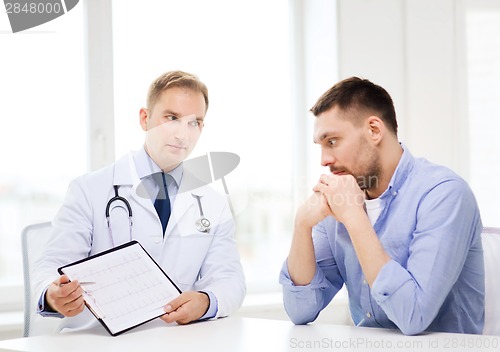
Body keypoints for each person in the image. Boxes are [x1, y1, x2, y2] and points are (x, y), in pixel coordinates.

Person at [34, 70, 246, 331]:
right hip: (98, 343)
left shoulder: (213, 203)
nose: (183, 134)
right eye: (172, 118)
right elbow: (51, 267)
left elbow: (229, 279)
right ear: (145, 119)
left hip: (177, 342)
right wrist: (51, 295)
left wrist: (205, 301)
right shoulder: (89, 190)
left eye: (195, 123)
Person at [279, 77, 484, 336]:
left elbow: (413, 316)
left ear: (374, 130)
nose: (324, 160)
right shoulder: (341, 197)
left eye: (332, 142)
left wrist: (354, 217)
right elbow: (300, 311)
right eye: (320, 147)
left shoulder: (444, 194)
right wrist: (302, 224)